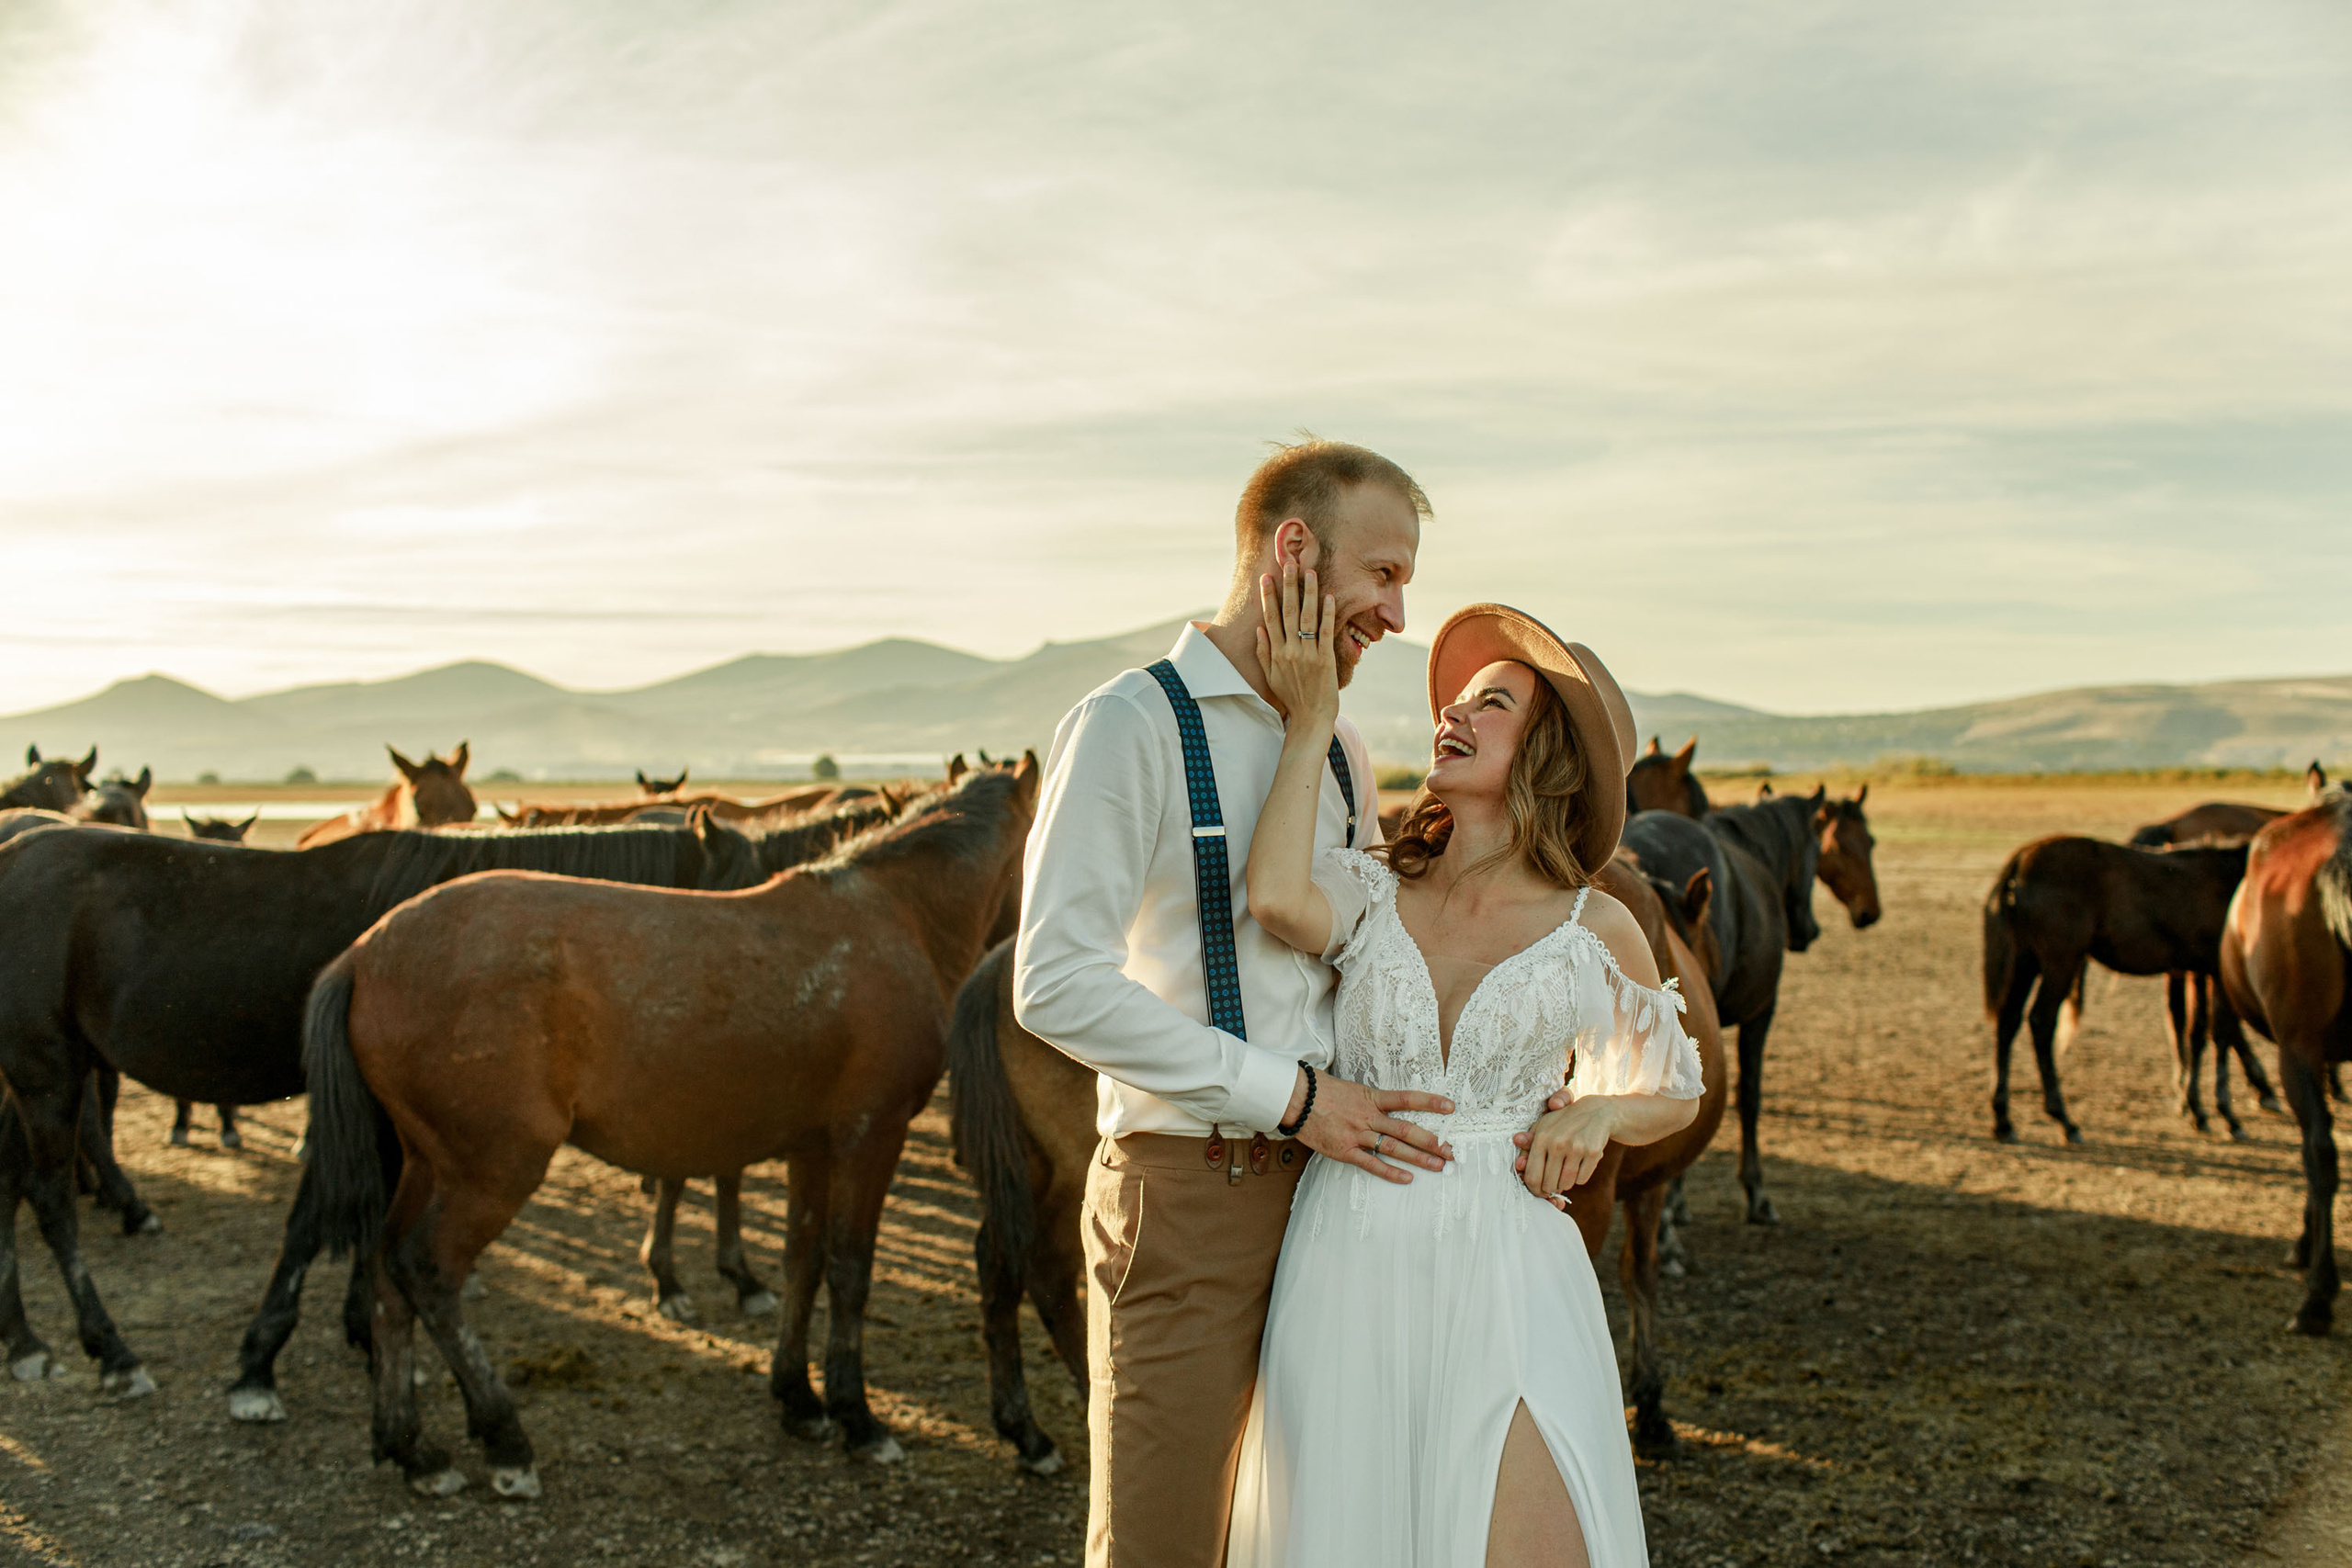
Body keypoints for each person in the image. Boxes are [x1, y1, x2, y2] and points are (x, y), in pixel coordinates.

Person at [1014, 439, 1459, 1568]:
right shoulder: (1131, 722)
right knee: (1162, 1544)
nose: (1398, 615)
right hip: (1190, 1206)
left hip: (1336, 1208)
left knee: (1311, 1533)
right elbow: (1053, 984)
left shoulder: (1345, 750)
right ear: (1294, 551)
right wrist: (1291, 1097)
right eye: (1385, 574)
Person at [1227, 586, 1707, 1567]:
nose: (1453, 712)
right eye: (1457, 699)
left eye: (1491, 703)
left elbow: (1679, 1090)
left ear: (1545, 755)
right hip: (1348, 1250)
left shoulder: (1592, 923)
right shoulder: (1369, 885)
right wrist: (1312, 715)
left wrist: (1604, 1112)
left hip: (1512, 1265)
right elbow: (1274, 895)